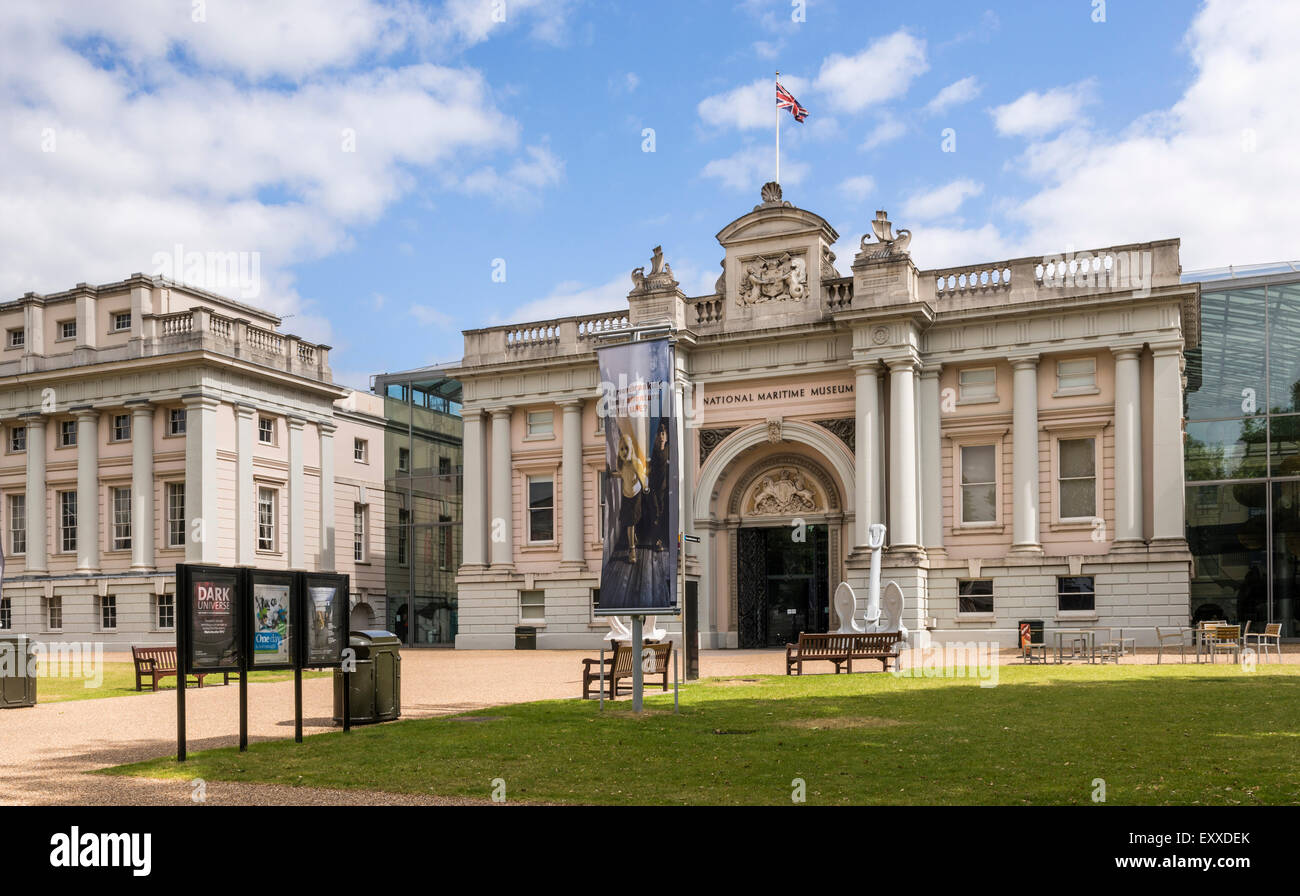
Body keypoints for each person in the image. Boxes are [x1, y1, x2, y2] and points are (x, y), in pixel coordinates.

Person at [616, 432, 647, 563]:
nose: (624, 451)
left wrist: (644, 486)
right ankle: (632, 545)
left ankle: (632, 547)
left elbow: (642, 476)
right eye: (622, 449)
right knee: (628, 521)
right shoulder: (621, 465)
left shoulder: (636, 463)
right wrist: (611, 474)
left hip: (635, 494)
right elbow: (621, 475)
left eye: (626, 448)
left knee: (633, 520)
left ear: (631, 449)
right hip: (626, 495)